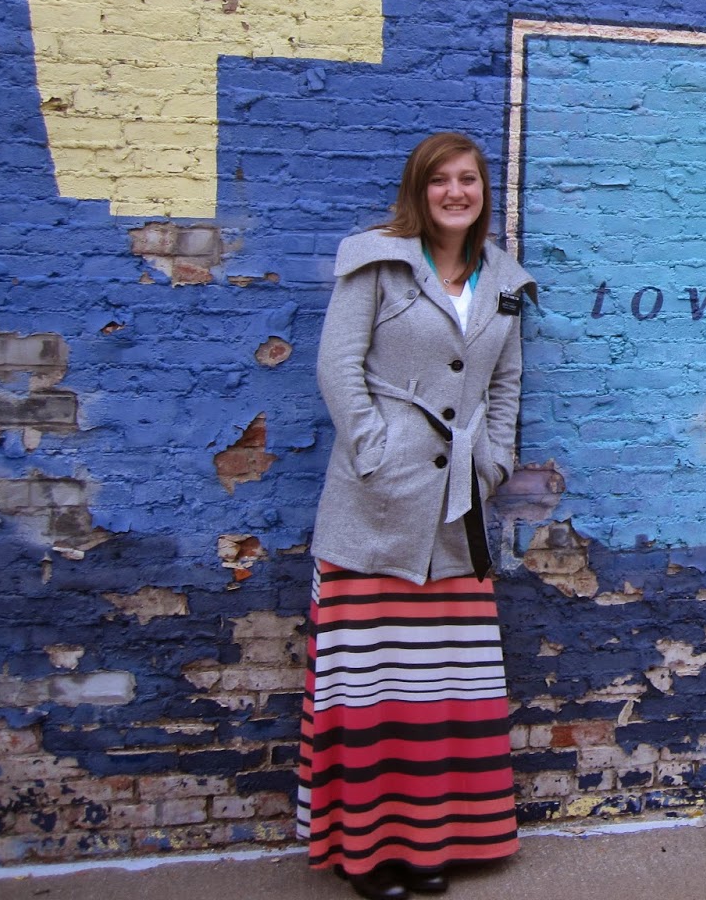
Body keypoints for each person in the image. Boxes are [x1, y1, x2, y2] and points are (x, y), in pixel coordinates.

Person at [296, 132, 534, 900]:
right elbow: (337, 366)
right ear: (419, 190)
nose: (456, 192)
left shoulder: (504, 281)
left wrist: (494, 463)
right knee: (371, 687)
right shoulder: (377, 261)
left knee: (442, 690)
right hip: (375, 508)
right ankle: (367, 851)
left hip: (458, 515)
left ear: (483, 192)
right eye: (441, 180)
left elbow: (506, 383)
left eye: (469, 179)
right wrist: (375, 451)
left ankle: (431, 842)